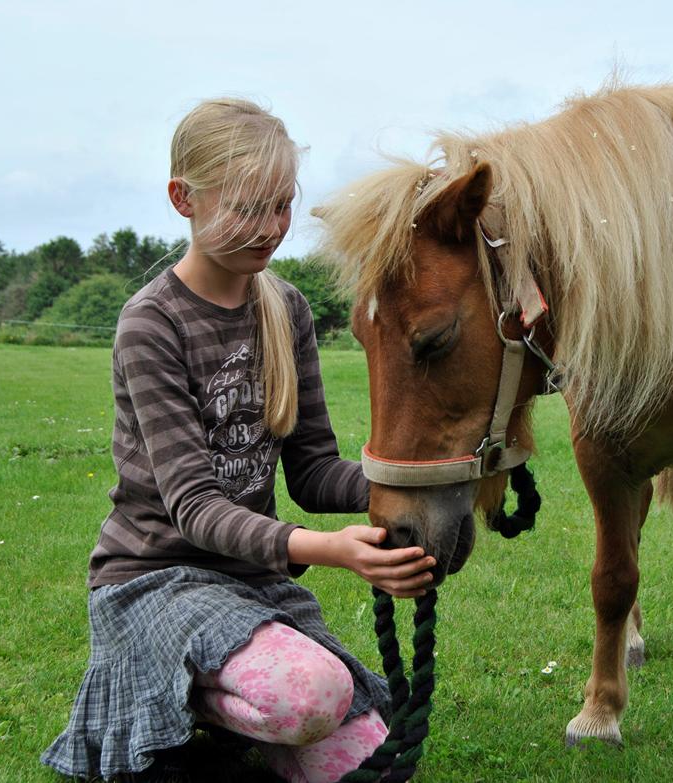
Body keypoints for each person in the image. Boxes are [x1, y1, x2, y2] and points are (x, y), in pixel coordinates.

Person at [41, 98, 435, 783]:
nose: (271, 227)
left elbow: (313, 471)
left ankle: (237, 701)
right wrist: (333, 550)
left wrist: (406, 482)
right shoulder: (151, 323)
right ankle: (167, 694)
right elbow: (195, 507)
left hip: (251, 583)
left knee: (368, 761)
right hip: (156, 580)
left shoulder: (287, 309)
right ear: (183, 199)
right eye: (249, 208)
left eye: (282, 206)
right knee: (311, 695)